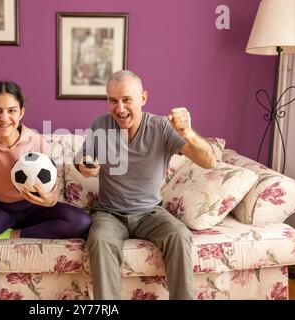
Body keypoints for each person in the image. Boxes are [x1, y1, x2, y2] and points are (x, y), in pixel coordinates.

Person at [0, 80, 91, 300]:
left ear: (21, 112)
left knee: (82, 221)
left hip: (33, 207)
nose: (4, 118)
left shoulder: (37, 141)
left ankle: (14, 233)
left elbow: (52, 190)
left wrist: (47, 199)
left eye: (11, 111)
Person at [76, 70, 216, 300]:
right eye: (113, 101)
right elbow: (82, 159)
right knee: (99, 239)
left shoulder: (161, 127)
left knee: (179, 234)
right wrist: (85, 166)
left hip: (150, 212)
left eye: (127, 100)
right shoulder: (100, 124)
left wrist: (187, 133)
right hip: (110, 213)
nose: (119, 108)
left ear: (143, 98)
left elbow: (209, 161)